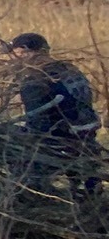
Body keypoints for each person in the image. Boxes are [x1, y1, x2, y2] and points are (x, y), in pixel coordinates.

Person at [8, 32, 100, 194]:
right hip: (87, 137)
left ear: (24, 52)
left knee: (13, 149)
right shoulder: (70, 70)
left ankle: (31, 196)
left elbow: (38, 125)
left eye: (16, 54)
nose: (14, 61)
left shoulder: (35, 80)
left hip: (62, 142)